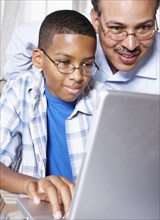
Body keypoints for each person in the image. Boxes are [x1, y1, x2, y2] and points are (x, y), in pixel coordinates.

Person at [0, 10, 104, 219]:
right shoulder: (20, 90)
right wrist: (33, 185)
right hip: (40, 209)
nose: (77, 76)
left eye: (87, 65)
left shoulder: (102, 99)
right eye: (64, 63)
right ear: (38, 58)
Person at [2, 0, 160, 94]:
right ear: (96, 21)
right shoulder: (70, 35)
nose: (130, 45)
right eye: (116, 29)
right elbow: (23, 37)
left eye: (143, 28)